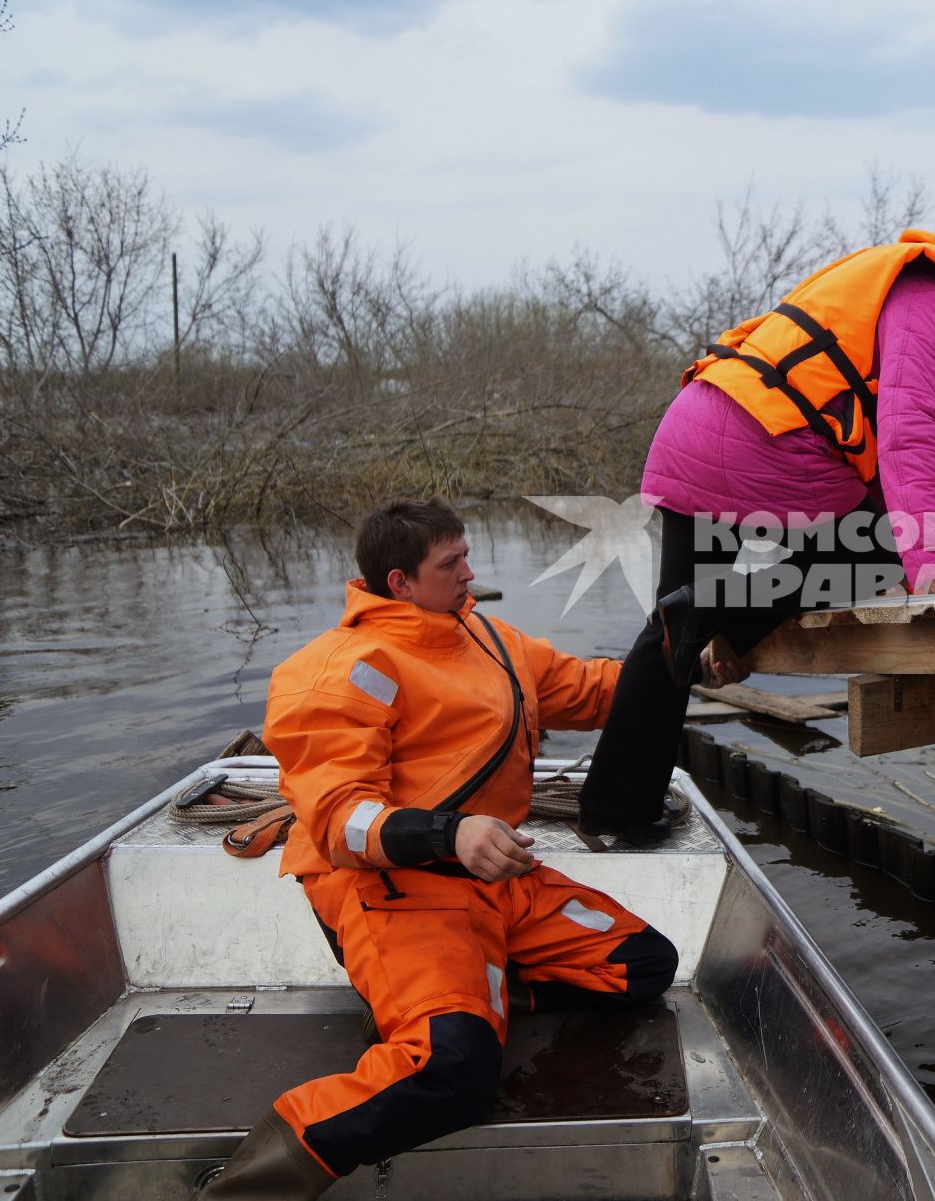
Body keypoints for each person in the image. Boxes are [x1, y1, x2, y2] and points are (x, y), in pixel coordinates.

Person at [198, 498, 677, 1200]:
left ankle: (462, 1004)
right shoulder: (339, 670)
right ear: (400, 582)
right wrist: (449, 833)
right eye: (451, 564)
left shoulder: (490, 639)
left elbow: (590, 689)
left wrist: (680, 660)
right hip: (394, 890)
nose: (469, 573)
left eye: (465, 556)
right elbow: (340, 821)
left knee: (641, 966)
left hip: (494, 879)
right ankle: (244, 1185)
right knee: (451, 1074)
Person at [580, 227, 935, 842]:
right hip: (760, 444)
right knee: (881, 550)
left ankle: (617, 809)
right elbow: (906, 432)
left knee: (669, 640)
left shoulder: (919, 282)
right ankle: (716, 615)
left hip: (704, 427)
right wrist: (933, 568)